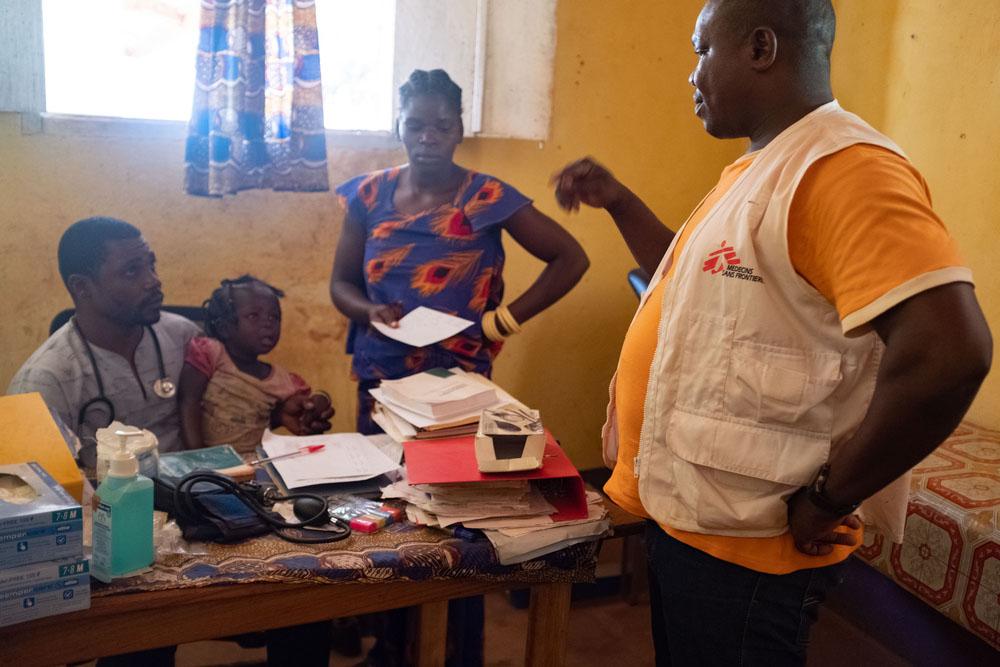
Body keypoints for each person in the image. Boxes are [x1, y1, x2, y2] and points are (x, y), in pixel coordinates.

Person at [552, 1, 992, 664]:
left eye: (703, 50)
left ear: (761, 47)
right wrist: (619, 200)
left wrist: (830, 496)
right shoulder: (763, 170)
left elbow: (949, 352)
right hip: (699, 520)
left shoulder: (846, 168)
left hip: (751, 551)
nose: (692, 74)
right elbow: (691, 282)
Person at [7, 217, 335, 667]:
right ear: (81, 288)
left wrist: (282, 412)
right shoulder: (46, 380)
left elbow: (231, 397)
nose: (154, 281)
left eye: (152, 265)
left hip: (208, 502)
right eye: (131, 271)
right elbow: (32, 499)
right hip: (124, 531)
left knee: (307, 595)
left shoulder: (181, 336)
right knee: (141, 638)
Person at [330, 68, 589, 435]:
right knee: (383, 479)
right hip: (383, 372)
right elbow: (341, 283)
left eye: (442, 127)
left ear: (459, 131)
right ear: (398, 126)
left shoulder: (485, 196)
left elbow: (571, 259)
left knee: (452, 480)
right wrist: (369, 310)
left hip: (458, 375)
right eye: (415, 125)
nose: (427, 138)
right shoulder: (369, 196)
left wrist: (500, 323)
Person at [178, 275, 332, 456]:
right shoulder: (211, 353)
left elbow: (309, 404)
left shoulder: (281, 379)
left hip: (255, 463)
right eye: (254, 315)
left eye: (274, 317)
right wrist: (197, 458)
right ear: (224, 327)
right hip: (208, 464)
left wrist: (320, 402)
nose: (268, 323)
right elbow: (188, 401)